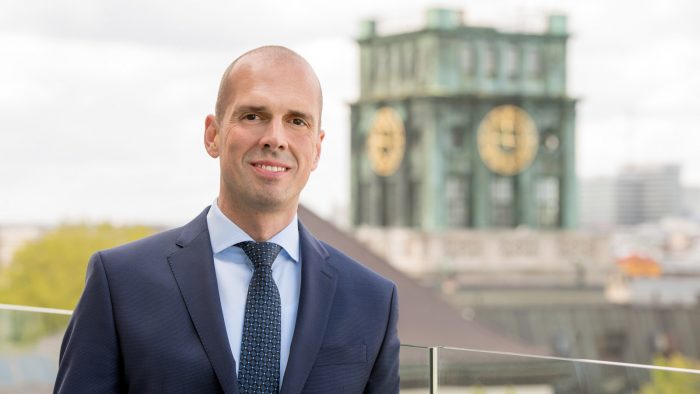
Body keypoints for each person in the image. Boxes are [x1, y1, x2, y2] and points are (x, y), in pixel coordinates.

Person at [54, 46, 399, 393]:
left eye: (297, 121)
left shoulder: (373, 301)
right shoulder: (120, 283)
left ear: (317, 149)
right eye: (253, 116)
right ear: (213, 135)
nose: (275, 139)